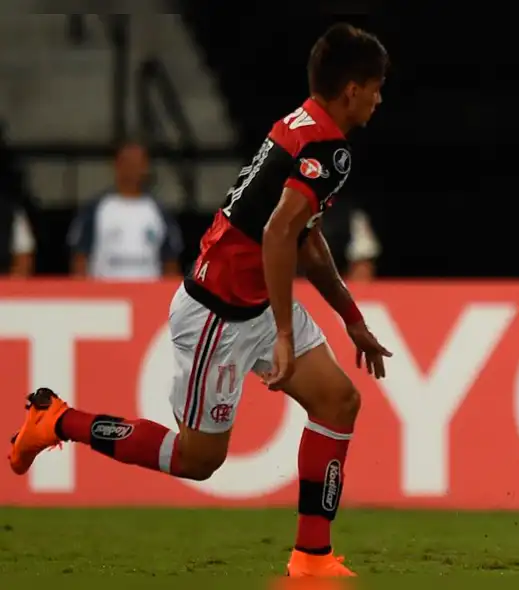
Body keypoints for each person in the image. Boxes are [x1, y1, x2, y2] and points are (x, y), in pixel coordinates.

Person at [8, 23, 392, 578]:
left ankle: (311, 557)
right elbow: (282, 234)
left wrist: (351, 318)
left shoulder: (301, 125)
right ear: (352, 89)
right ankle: (57, 420)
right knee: (199, 459)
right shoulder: (329, 149)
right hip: (219, 312)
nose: (380, 99)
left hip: (252, 300)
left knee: (338, 402)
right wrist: (285, 336)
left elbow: (302, 238)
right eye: (377, 87)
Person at [67, 140, 184, 280]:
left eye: (140, 163)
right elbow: (80, 259)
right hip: (107, 296)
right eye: (129, 162)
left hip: (149, 296)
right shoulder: (96, 209)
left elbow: (170, 263)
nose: (134, 168)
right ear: (117, 164)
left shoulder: (159, 212)